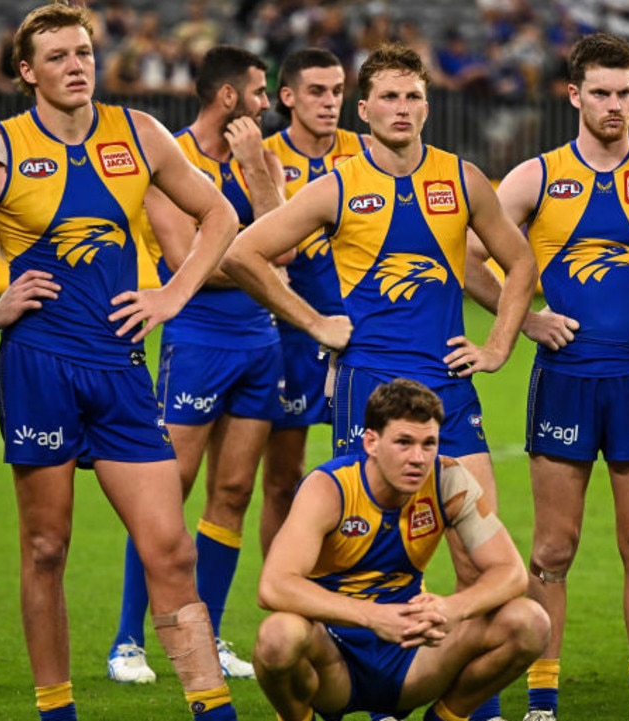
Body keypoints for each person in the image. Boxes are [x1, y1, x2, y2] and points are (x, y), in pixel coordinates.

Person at [223, 42, 536, 721]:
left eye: (414, 95)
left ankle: (466, 706)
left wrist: (498, 346)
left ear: (429, 104)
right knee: (362, 539)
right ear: (363, 111)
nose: (403, 108)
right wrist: (315, 323)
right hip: (369, 392)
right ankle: (361, 676)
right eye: (389, 97)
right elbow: (244, 252)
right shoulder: (338, 184)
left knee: (478, 548)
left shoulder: (462, 179)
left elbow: (520, 260)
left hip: (450, 389)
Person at [0, 4, 242, 719]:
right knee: (47, 547)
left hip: (120, 370)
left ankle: (215, 707)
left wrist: (173, 295)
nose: (75, 64)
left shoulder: (139, 133)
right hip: (39, 368)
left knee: (170, 548)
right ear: (27, 72)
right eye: (56, 56)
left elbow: (221, 217)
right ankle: (58, 710)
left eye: (82, 51)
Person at [465, 31, 629, 721]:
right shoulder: (536, 177)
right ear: (574, 95)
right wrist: (526, 320)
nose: (614, 106)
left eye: (625, 93)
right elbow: (466, 254)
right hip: (565, 379)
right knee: (552, 548)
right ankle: (543, 698)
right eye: (600, 92)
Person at [105, 43, 283, 686]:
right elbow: (189, 264)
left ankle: (209, 634)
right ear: (229, 96)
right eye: (261, 92)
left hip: (260, 344)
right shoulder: (166, 158)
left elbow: (282, 249)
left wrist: (258, 174)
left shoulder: (260, 157)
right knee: (165, 495)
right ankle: (129, 641)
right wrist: (251, 258)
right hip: (197, 343)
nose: (268, 104)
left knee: (232, 495)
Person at [252, 377, 550, 721]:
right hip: (333, 659)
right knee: (277, 636)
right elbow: (273, 586)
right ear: (371, 442)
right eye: (404, 443)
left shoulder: (448, 480)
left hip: (411, 654)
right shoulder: (329, 488)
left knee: (530, 622)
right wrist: (373, 616)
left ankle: (446, 717)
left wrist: (454, 608)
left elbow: (510, 572)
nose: (418, 458)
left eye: (429, 443)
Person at [259, 47, 368, 554]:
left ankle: (373, 596)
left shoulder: (369, 151)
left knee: (372, 479)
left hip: (366, 334)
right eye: (317, 91)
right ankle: (286, 603)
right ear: (288, 97)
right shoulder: (264, 159)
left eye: (338, 91)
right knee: (284, 482)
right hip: (294, 337)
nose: (330, 102)